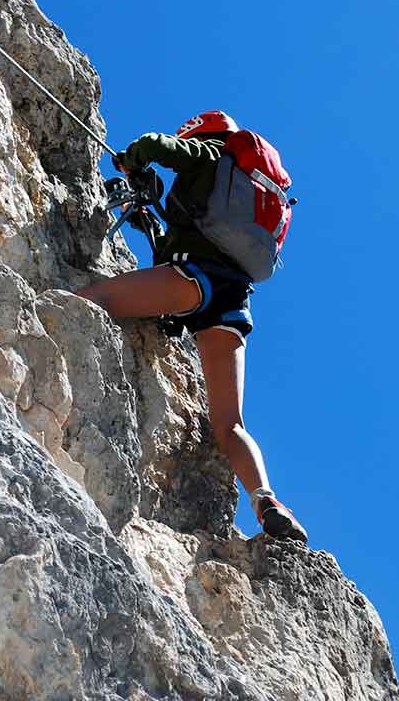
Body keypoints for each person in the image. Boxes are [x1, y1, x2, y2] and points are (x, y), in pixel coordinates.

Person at [76, 110, 309, 543]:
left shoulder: (208, 155)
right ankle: (266, 500)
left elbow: (156, 144)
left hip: (193, 283)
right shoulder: (243, 189)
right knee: (230, 424)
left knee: (93, 300)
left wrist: (132, 160)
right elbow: (180, 244)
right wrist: (156, 215)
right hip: (232, 303)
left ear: (204, 136)